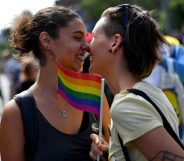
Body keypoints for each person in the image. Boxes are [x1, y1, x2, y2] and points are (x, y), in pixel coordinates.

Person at [0, 6, 110, 161]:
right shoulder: (17, 112)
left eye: (86, 39)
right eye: (78, 38)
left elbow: (118, 154)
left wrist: (107, 153)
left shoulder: (96, 97)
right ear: (46, 41)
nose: (87, 46)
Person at [88, 4, 184, 161]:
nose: (87, 46)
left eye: (93, 37)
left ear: (114, 43)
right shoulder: (151, 92)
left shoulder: (126, 105)